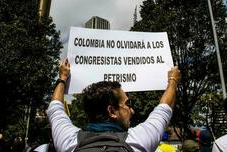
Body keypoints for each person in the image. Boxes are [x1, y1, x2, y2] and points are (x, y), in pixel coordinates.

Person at [47, 59, 181, 152]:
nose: (132, 110)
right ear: (111, 111)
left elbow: (55, 108)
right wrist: (173, 80)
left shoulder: (69, 142)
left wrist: (63, 77)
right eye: (127, 104)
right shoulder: (138, 141)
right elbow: (164, 109)